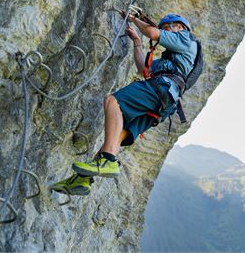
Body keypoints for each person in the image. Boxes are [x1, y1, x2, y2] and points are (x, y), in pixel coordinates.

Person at [51, 13, 198, 195]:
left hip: (162, 88)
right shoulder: (171, 60)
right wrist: (137, 42)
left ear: (181, 27)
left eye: (168, 27)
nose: (164, 31)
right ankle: (81, 180)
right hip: (164, 103)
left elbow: (153, 33)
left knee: (113, 101)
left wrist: (134, 19)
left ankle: (108, 161)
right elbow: (143, 68)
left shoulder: (186, 38)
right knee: (117, 136)